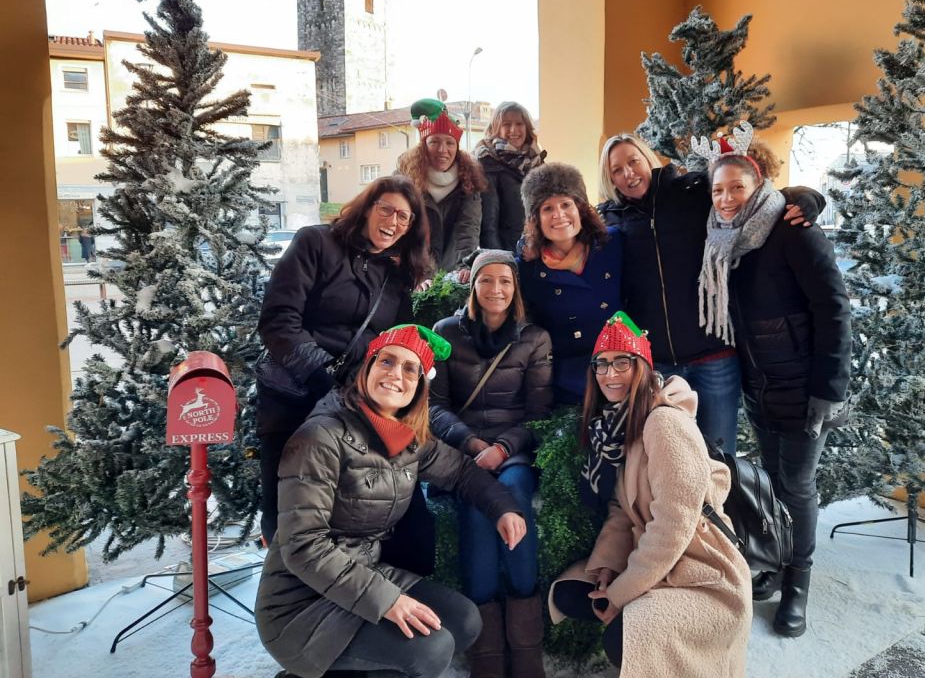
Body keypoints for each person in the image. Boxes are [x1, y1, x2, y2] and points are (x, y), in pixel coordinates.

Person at [256, 324, 528, 678]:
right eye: (387, 361)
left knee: (463, 621)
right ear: (367, 368)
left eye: (410, 369)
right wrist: (387, 600)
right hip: (300, 606)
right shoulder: (320, 437)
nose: (396, 374)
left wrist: (503, 507)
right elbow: (303, 547)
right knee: (429, 649)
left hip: (362, 572)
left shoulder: (405, 436)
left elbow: (461, 472)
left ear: (419, 386)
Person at [697, 127, 851, 637]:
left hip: (804, 385)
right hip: (759, 384)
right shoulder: (724, 242)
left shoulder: (791, 229)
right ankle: (777, 563)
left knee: (797, 485)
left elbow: (833, 307)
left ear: (758, 183)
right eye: (718, 190)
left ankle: (798, 584)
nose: (726, 198)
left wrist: (830, 388)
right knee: (770, 480)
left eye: (737, 187)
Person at [549, 312, 752, 677]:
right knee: (572, 594)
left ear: (641, 366)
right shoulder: (619, 424)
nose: (610, 374)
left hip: (701, 570)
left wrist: (620, 593)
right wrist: (608, 567)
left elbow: (674, 526)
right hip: (657, 561)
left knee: (626, 636)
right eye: (601, 364)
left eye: (622, 362)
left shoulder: (664, 422)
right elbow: (621, 507)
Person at [596, 133, 823, 454]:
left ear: (648, 159)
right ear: (609, 178)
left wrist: (805, 197)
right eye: (617, 170)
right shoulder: (608, 220)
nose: (628, 173)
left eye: (633, 161)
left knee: (719, 461)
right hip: (659, 367)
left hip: (714, 360)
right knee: (670, 461)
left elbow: (749, 194)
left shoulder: (691, 192)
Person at [256, 175, 431, 553]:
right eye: (386, 209)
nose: (393, 221)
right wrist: (322, 379)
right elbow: (279, 321)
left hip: (356, 402)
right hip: (295, 396)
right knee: (286, 519)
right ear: (367, 208)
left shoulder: (396, 273)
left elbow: (396, 339)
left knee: (382, 516)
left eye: (404, 217)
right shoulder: (315, 243)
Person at [430, 249, 552, 678]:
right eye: (486, 280)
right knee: (475, 504)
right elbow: (434, 407)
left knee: (513, 492)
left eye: (504, 281)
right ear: (473, 285)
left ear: (515, 287)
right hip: (462, 449)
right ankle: (487, 652)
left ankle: (526, 644)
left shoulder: (534, 337)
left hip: (512, 447)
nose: (495, 289)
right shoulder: (445, 332)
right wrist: (470, 442)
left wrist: (501, 447)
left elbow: (538, 414)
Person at [517, 162, 623, 404]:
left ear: (580, 208)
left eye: (566, 204)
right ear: (535, 219)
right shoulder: (528, 268)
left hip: (620, 373)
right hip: (565, 385)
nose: (559, 215)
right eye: (547, 208)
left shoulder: (612, 244)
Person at [397, 98, 487, 280]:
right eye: (434, 142)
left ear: (457, 147)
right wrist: (418, 272)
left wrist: (465, 265)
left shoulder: (469, 181)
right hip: (413, 270)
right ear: (424, 145)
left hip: (451, 271)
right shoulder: (403, 179)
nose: (442, 149)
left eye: (449, 143)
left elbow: (467, 229)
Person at [474, 102, 546, 252]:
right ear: (496, 128)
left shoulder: (537, 161)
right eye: (506, 124)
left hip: (538, 250)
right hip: (509, 253)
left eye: (519, 124)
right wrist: (501, 259)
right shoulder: (487, 163)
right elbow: (488, 225)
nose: (513, 130)